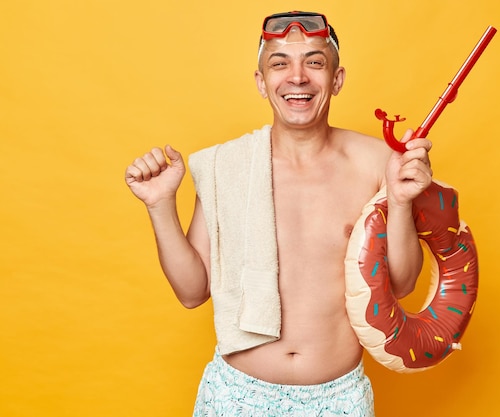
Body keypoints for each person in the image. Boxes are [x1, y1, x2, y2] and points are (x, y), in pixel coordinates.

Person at [125, 11, 432, 416]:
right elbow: (191, 292)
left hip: (338, 399)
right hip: (236, 396)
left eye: (315, 62)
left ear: (337, 79)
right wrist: (160, 206)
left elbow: (403, 282)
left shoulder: (378, 164)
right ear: (261, 82)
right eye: (280, 63)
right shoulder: (226, 165)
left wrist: (403, 199)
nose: (298, 77)